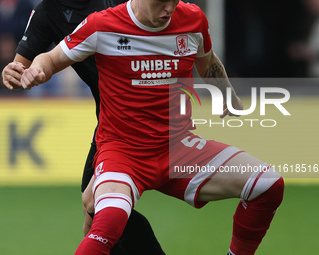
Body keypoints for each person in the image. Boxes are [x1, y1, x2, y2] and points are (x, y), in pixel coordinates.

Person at [17, 0, 285, 254]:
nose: (169, 8)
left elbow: (207, 59)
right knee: (108, 223)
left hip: (179, 148)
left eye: (174, 0)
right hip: (123, 153)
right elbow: (51, 59)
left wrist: (227, 95)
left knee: (268, 184)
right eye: (161, 2)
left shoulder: (192, 19)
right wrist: (36, 71)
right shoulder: (101, 25)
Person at [1, 0, 165, 254]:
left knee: (98, 207)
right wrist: (13, 73)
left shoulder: (115, 4)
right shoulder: (49, 10)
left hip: (140, 115)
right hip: (110, 120)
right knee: (95, 216)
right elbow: (22, 67)